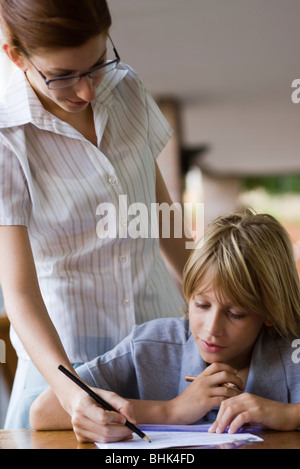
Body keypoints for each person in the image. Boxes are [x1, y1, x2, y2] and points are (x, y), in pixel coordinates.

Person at [0, 0, 188, 430]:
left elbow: (162, 215)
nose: (85, 91)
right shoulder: (6, 138)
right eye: (62, 75)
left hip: (160, 348)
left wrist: (219, 299)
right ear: (16, 55)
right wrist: (74, 396)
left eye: (96, 64)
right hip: (66, 370)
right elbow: (20, 292)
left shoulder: (126, 89)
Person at [30, 208, 300, 443]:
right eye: (202, 305)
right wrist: (172, 411)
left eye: (236, 314)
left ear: (269, 312)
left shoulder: (292, 353)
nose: (211, 328)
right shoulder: (151, 346)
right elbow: (43, 411)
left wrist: (288, 414)